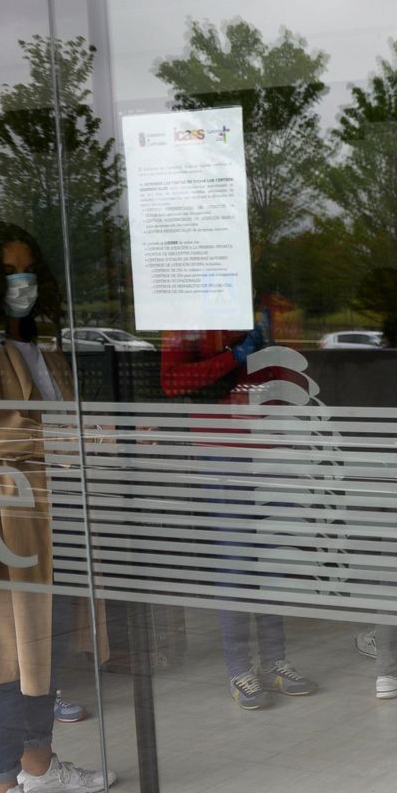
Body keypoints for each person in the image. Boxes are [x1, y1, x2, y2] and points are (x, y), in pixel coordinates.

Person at [0, 223, 114, 793]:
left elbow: (66, 420)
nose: (24, 286)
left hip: (38, 509)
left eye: (30, 273)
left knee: (38, 646)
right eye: (10, 274)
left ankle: (38, 770)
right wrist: (65, 439)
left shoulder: (32, 342)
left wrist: (64, 438)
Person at [161, 294, 318, 710]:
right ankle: (238, 669)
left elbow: (288, 373)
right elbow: (173, 382)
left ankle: (275, 660)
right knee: (236, 560)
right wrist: (234, 356)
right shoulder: (190, 316)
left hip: (270, 447)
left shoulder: (268, 305)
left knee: (269, 557)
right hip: (222, 450)